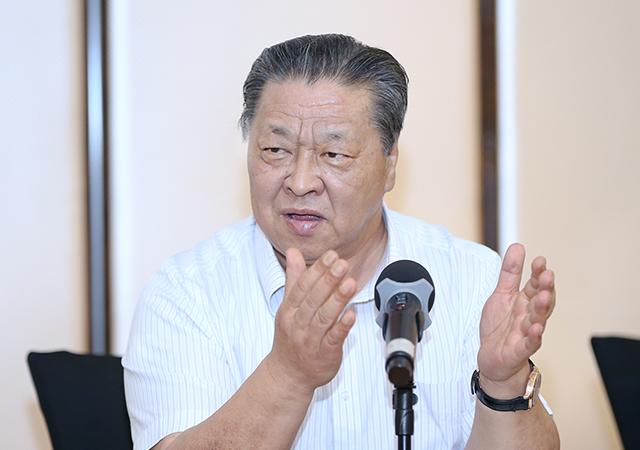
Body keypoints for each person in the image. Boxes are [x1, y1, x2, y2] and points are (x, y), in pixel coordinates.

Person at [123, 34, 559, 450]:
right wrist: (287, 375)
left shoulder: (471, 281)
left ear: (389, 165)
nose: (300, 182)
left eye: (334, 155)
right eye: (275, 150)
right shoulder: (186, 293)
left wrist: (503, 384)